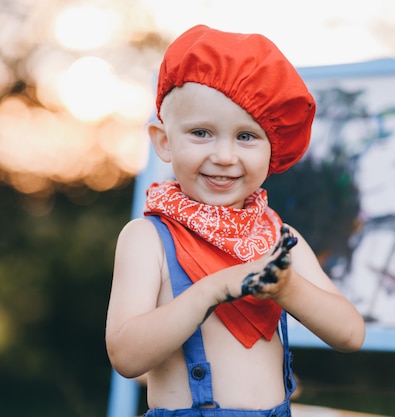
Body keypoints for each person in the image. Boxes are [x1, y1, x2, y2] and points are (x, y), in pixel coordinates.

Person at [105, 25, 366, 417]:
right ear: (163, 140)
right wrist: (211, 290)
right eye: (202, 133)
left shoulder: (278, 237)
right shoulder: (148, 238)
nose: (225, 155)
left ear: (272, 147)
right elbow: (126, 357)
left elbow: (350, 334)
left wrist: (288, 289)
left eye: (246, 136)